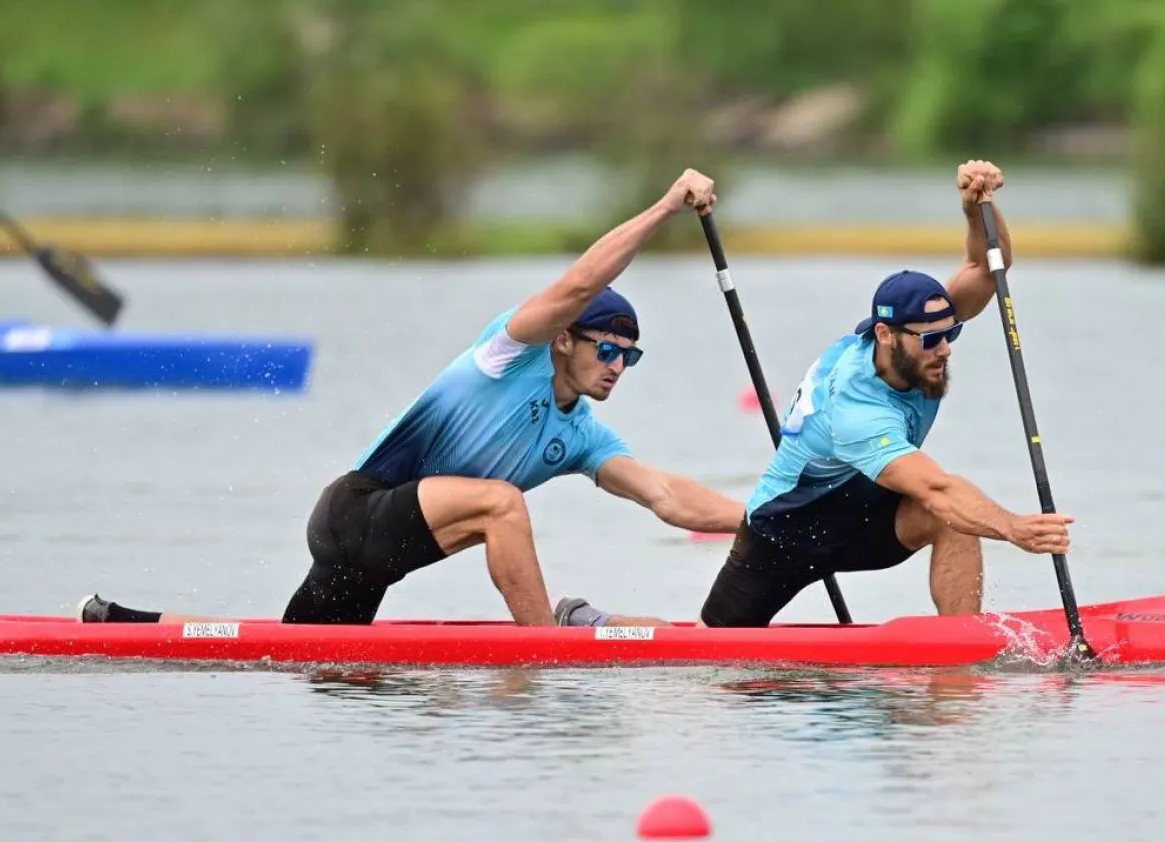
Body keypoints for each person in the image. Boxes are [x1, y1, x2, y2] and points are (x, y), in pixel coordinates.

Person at [79, 168, 746, 628]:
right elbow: (575, 286)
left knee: (291, 652)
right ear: (563, 340)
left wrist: (768, 519)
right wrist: (664, 208)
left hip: (385, 559)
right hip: (355, 513)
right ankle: (546, 646)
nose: (618, 366)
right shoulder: (507, 353)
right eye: (607, 348)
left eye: (630, 357)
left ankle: (116, 622)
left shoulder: (584, 437)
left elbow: (666, 496)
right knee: (502, 504)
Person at [563, 160, 1074, 629]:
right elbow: (937, 486)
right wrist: (1014, 529)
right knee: (708, 655)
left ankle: (960, 652)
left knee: (955, 521)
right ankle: (594, 624)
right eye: (932, 339)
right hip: (781, 532)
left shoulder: (912, 338)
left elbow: (988, 269)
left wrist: (977, 208)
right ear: (885, 336)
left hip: (861, 517)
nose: (944, 349)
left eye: (950, 334)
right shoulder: (855, 407)